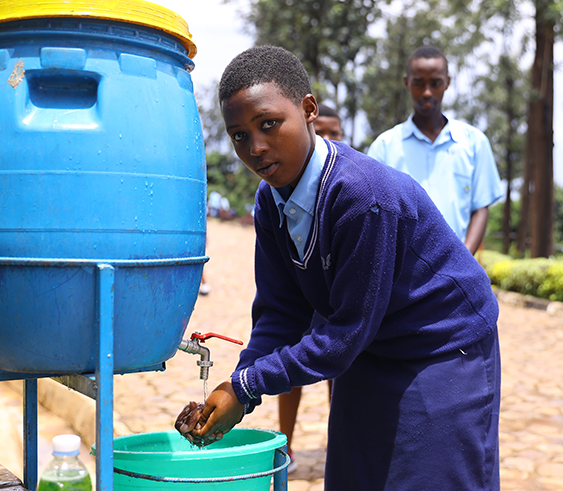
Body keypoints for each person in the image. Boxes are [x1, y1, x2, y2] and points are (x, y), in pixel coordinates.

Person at [175, 45, 501, 490]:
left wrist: (248, 386)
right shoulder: (270, 200)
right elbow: (280, 311)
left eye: (269, 124)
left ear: (308, 110)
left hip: (442, 349)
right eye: (238, 136)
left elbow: (345, 333)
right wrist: (239, 383)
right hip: (370, 347)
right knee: (357, 476)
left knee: (433, 478)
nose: (256, 148)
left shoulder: (362, 197)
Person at [367, 46, 502, 255]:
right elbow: (376, 215)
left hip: (457, 271)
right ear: (406, 83)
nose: (427, 92)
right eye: (418, 84)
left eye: (435, 83)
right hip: (402, 275)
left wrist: (463, 261)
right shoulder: (384, 147)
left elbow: (480, 208)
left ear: (447, 82)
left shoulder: (474, 142)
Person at [276, 104, 342, 472]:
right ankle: (287, 444)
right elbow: (275, 302)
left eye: (337, 134)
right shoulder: (275, 196)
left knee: (340, 369)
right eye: (325, 132)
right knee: (290, 365)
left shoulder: (349, 190)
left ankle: (341, 439)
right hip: (305, 294)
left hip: (339, 297)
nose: (329, 141)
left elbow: (348, 333)